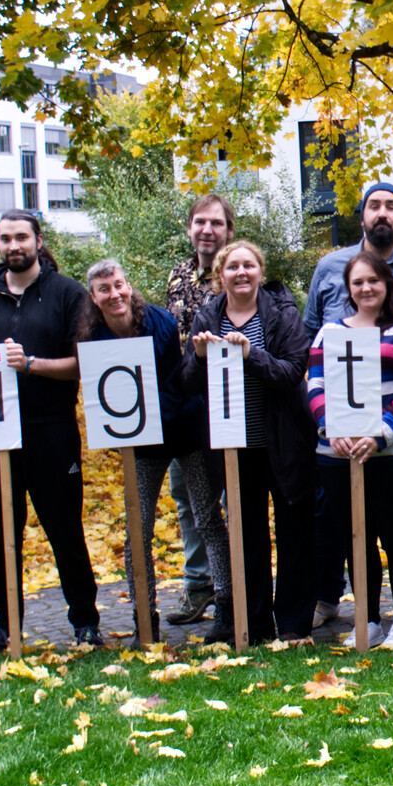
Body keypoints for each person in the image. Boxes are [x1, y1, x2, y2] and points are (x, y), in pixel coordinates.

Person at [0, 209, 102, 651]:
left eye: (21, 237)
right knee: (1, 532)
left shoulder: (67, 293)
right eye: (5, 239)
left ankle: (85, 621)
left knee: (65, 530)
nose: (13, 246)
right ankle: (7, 626)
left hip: (51, 428)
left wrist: (32, 365)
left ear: (38, 241)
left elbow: (84, 364)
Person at [302, 182, 393, 629]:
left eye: (373, 281)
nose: (365, 289)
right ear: (348, 287)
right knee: (356, 539)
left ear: (386, 284)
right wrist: (331, 429)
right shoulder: (329, 334)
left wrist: (381, 431)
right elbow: (315, 383)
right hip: (339, 451)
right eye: (357, 283)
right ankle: (370, 620)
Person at [77, 258, 230, 644]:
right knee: (138, 527)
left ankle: (226, 607)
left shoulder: (159, 322)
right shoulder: (94, 340)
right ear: (94, 298)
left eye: (119, 285)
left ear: (128, 286)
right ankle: (144, 616)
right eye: (105, 289)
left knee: (208, 517)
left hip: (183, 428)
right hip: (140, 442)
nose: (115, 294)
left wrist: (151, 415)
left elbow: (176, 381)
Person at [188, 239, 319, 641]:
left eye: (249, 266)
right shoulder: (207, 317)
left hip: (284, 441)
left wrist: (251, 355)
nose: (241, 273)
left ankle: (295, 624)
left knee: (295, 533)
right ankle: (256, 625)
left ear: (260, 271)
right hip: (233, 445)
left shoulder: (282, 313)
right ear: (220, 274)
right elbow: (187, 383)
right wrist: (196, 357)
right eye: (232, 267)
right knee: (248, 537)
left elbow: (294, 370)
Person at [161, 193, 236, 627]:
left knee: (228, 499)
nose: (207, 230)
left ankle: (235, 587)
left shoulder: (236, 271)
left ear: (228, 230)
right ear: (190, 228)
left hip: (228, 403)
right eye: (200, 223)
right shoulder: (178, 275)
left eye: (216, 223)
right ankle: (199, 586)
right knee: (187, 501)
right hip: (184, 405)